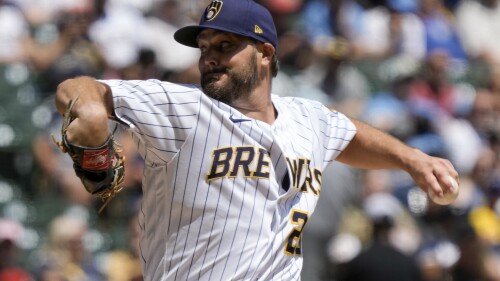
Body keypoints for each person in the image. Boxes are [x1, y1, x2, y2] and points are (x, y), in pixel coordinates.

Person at [53, 0, 458, 280]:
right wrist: (88, 111)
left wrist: (411, 159)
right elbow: (78, 87)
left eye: (226, 46)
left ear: (265, 53)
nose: (209, 56)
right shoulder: (182, 106)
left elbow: (348, 134)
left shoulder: (307, 118)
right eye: (205, 47)